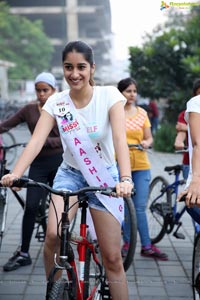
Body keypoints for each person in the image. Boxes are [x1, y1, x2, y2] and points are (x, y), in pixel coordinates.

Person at [1, 41, 133, 299]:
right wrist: (15, 173)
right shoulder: (56, 102)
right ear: (63, 68)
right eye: (68, 67)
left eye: (81, 67)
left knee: (112, 258)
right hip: (70, 174)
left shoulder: (109, 96)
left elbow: (119, 139)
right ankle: (56, 291)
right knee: (52, 236)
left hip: (104, 176)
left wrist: (125, 178)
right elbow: (37, 140)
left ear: (92, 68)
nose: (75, 74)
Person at [0, 72, 63, 272]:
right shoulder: (29, 110)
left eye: (46, 90)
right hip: (38, 164)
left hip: (60, 163)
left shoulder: (61, 108)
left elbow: (66, 138)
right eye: (39, 90)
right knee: (31, 207)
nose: (42, 94)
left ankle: (59, 249)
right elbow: (6, 125)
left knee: (60, 209)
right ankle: (24, 253)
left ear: (53, 90)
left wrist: (43, 141)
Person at [117, 77, 168, 261]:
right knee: (126, 206)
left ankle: (146, 246)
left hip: (141, 165)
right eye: (128, 91)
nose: (132, 95)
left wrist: (146, 142)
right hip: (120, 165)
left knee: (138, 207)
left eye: (134, 91)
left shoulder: (142, 113)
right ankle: (127, 243)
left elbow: (149, 137)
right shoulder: (115, 113)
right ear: (120, 93)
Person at [174, 78, 200, 181]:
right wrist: (178, 142)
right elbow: (181, 133)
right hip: (190, 163)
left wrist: (186, 127)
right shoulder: (188, 112)